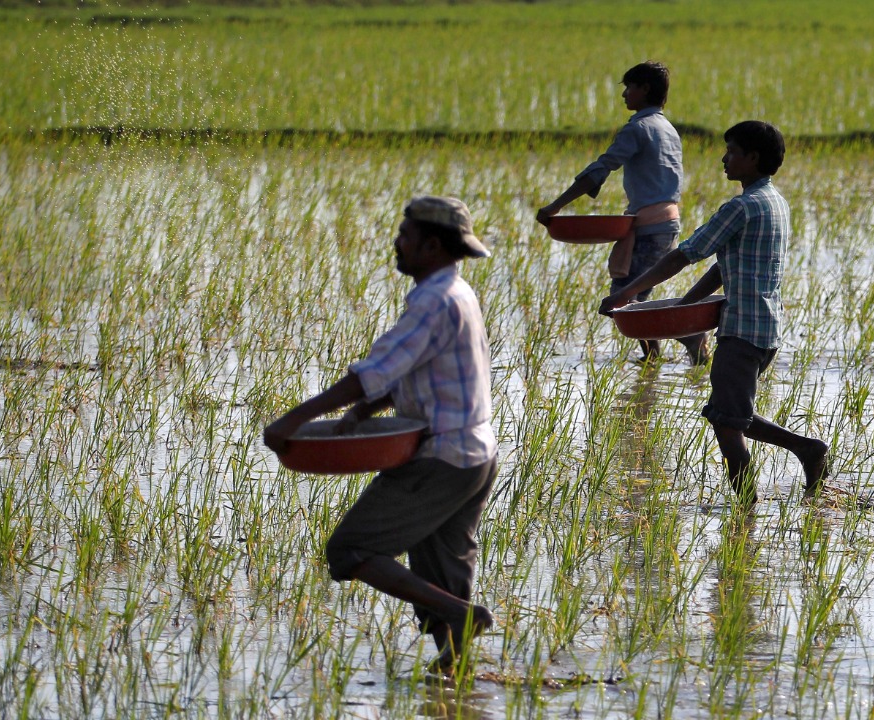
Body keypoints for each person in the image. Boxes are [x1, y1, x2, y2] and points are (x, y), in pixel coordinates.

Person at [263, 196, 497, 673]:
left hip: (442, 456)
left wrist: (292, 420)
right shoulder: (458, 293)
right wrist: (361, 413)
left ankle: (461, 616)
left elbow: (372, 372)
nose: (397, 242)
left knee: (350, 549)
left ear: (432, 246)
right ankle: (457, 679)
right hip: (475, 454)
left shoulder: (434, 302)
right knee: (443, 570)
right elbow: (407, 377)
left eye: (405, 236)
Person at [599, 121, 829, 506]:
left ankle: (747, 508)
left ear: (753, 158)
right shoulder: (775, 201)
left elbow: (685, 253)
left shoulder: (740, 207)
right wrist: (684, 304)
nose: (724, 159)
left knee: (726, 421)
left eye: (732, 152)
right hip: (765, 327)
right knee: (732, 413)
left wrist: (627, 291)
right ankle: (803, 453)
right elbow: (726, 266)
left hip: (740, 331)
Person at [537, 61, 708, 365]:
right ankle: (653, 356)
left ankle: (687, 335)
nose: (624, 94)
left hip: (652, 225)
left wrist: (556, 206)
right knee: (634, 293)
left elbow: (602, 167)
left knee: (625, 296)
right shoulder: (667, 128)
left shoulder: (638, 128)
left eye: (629, 87)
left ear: (644, 89)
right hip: (665, 222)